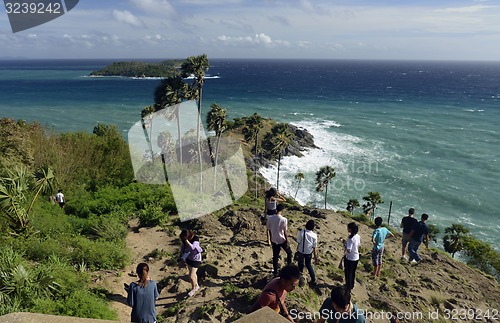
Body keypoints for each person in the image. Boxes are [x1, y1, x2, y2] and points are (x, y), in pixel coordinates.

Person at [267, 203, 293, 276]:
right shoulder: (284, 219)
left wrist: (271, 238)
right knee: (289, 253)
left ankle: (275, 271)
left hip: (274, 239)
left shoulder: (270, 218)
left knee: (275, 256)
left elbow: (268, 229)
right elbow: (285, 232)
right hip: (282, 239)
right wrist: (287, 240)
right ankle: (289, 268)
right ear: (282, 210)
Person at [178, 229, 203, 297]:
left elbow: (193, 248)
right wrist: (180, 257)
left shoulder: (195, 239)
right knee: (193, 275)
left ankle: (194, 289)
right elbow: (183, 248)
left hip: (196, 259)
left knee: (191, 276)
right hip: (189, 258)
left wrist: (187, 241)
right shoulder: (184, 240)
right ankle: (196, 286)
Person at [296, 220, 318, 286]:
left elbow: (298, 241)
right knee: (308, 265)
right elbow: (314, 247)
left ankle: (300, 277)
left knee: (300, 264)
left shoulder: (302, 232)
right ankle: (313, 278)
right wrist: (315, 256)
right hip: (309, 252)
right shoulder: (314, 235)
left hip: (301, 251)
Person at [343, 222, 360, 290]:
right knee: (353, 272)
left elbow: (349, 250)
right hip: (356, 257)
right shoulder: (358, 236)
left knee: (348, 273)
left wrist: (344, 244)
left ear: (350, 229)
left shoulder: (350, 238)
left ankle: (348, 286)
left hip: (350, 258)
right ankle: (352, 285)